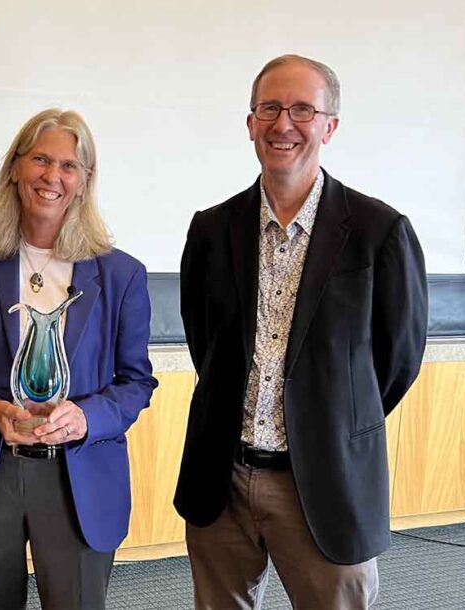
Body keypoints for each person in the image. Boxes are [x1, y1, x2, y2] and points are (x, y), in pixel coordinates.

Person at [176, 55, 428, 609]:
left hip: (326, 482)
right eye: (270, 108)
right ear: (250, 123)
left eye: (302, 110)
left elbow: (397, 360)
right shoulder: (212, 229)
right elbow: (207, 344)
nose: (283, 124)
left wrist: (328, 420)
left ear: (330, 126)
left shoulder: (379, 233)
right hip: (223, 475)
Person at [0, 108, 158, 609]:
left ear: (85, 180)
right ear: (15, 167)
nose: (53, 176)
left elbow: (136, 382)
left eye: (69, 166)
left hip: (79, 479)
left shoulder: (121, 275)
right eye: (41, 160)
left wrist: (85, 416)